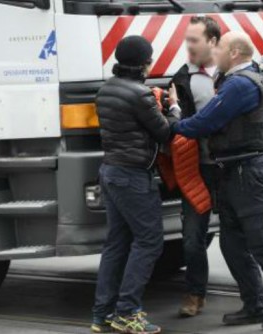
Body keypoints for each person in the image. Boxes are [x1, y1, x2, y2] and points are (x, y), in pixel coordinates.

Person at [168, 31, 263, 331]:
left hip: (247, 171)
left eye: (218, 47)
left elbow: (205, 121)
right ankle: (255, 305)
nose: (213, 51)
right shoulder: (240, 80)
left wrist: (173, 117)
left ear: (233, 52)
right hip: (235, 171)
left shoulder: (240, 84)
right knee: (232, 244)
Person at [91, 36, 176, 334]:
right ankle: (127, 312)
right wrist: (173, 107)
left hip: (111, 172)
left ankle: (102, 315)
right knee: (150, 241)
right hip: (132, 176)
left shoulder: (106, 90)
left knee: (116, 243)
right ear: (144, 63)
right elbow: (165, 133)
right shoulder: (139, 94)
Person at [169, 16, 220, 318]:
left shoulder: (233, 71)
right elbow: (179, 126)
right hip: (197, 168)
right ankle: (194, 293)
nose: (188, 46)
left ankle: (254, 297)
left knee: (246, 234)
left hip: (230, 166)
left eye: (194, 40)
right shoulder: (181, 77)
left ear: (213, 42)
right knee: (192, 236)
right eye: (186, 40)